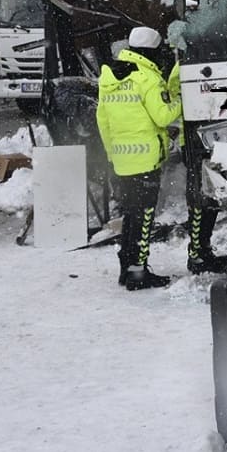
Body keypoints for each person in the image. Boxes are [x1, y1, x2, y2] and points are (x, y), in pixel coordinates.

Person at [97, 28, 179, 289]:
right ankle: (138, 273)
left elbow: (103, 121)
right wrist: (181, 100)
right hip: (146, 159)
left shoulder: (108, 77)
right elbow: (164, 117)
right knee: (144, 216)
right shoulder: (147, 78)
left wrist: (111, 153)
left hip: (122, 160)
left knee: (131, 215)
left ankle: (126, 266)